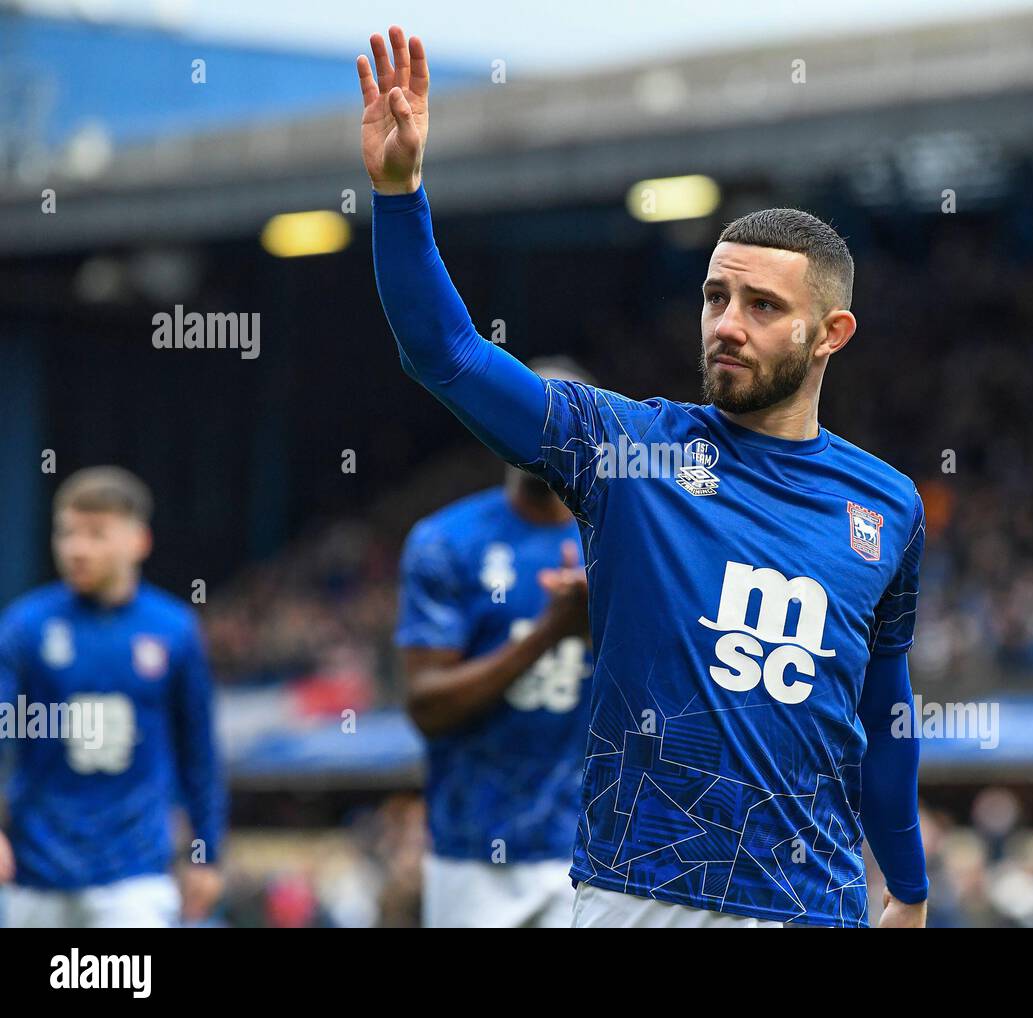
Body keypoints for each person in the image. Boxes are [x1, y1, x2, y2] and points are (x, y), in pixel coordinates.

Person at [359, 26, 927, 928]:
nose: (726, 324)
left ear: (832, 334)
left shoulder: (889, 506)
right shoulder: (628, 449)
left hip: (814, 903)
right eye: (715, 297)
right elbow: (447, 353)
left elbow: (884, 711)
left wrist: (908, 884)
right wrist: (399, 195)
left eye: (762, 306)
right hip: (640, 894)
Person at [397, 358, 594, 928]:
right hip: (473, 846)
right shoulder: (445, 542)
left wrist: (600, 624)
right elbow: (428, 707)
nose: (543, 432)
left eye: (561, 418)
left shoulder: (623, 538)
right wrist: (550, 633)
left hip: (592, 849)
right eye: (528, 414)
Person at [0, 467, 224, 927]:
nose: (77, 548)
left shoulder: (174, 629)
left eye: (96, 534)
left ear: (138, 541)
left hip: (134, 876)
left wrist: (207, 851)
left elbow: (199, 751)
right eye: (67, 533)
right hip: (36, 869)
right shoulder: (26, 624)